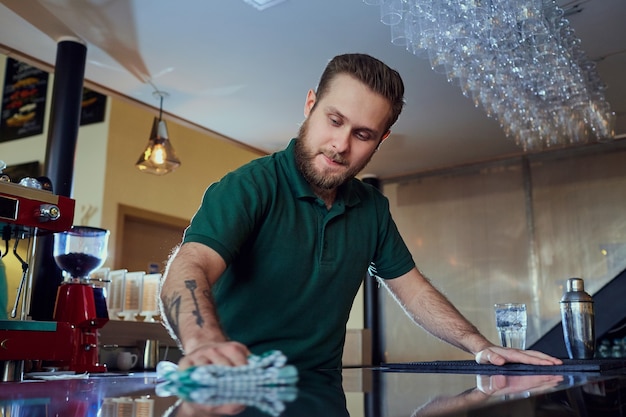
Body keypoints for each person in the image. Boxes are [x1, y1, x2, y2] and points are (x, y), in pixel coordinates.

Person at [158, 53, 562, 371]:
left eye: (362, 134)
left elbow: (415, 292)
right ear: (310, 104)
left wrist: (481, 346)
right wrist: (204, 343)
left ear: (381, 139)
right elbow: (190, 265)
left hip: (324, 392)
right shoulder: (249, 186)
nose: (340, 145)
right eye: (334, 121)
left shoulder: (372, 209)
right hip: (233, 387)